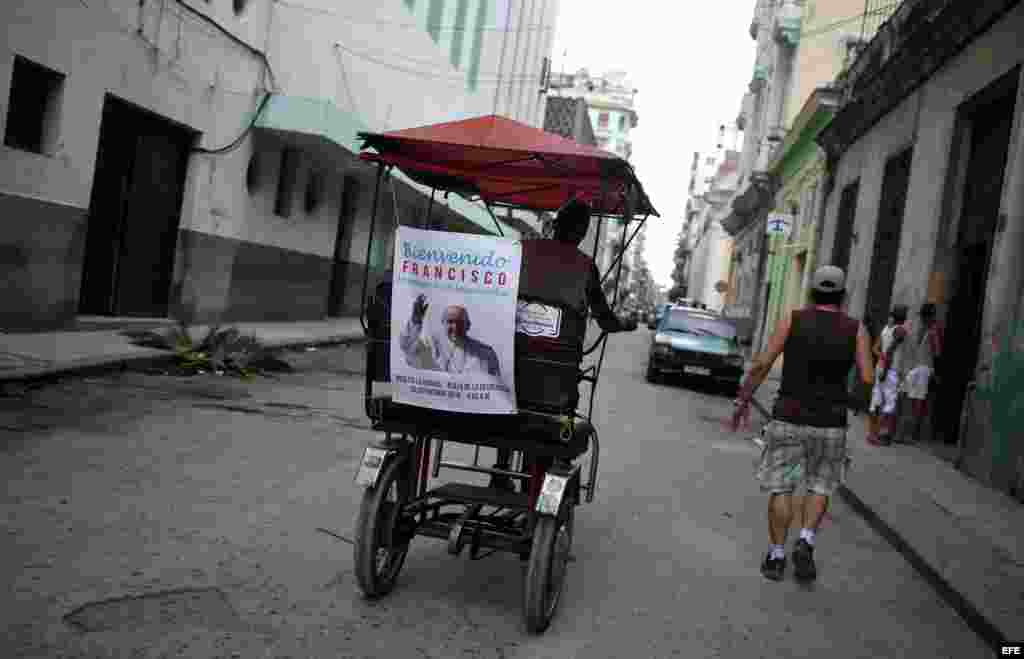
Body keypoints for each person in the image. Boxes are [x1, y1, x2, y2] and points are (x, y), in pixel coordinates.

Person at [730, 265, 874, 582]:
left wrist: (743, 400)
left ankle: (776, 557)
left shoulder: (793, 320)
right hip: (831, 422)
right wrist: (848, 402)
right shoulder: (856, 328)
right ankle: (806, 540)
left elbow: (763, 363)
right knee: (820, 485)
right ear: (842, 294)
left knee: (782, 486)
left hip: (789, 415)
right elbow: (866, 377)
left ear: (811, 292)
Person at [490, 198, 627, 491]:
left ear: (554, 225)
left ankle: (501, 468)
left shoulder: (523, 249)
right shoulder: (585, 266)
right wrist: (622, 324)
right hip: (557, 369)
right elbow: (604, 317)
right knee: (562, 405)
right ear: (581, 233)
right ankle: (537, 473)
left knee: (508, 397)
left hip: (507, 357)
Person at [398, 297, 501, 377]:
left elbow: (494, 386)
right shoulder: (431, 344)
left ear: (468, 325)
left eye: (460, 322)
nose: (455, 327)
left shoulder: (486, 353)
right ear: (443, 323)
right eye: (450, 322)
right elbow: (406, 347)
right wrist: (415, 322)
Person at [898, 303, 942, 444]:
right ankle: (911, 435)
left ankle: (902, 433)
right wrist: (936, 373)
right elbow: (936, 353)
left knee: (909, 401)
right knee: (918, 404)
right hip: (924, 369)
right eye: (934, 314)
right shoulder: (932, 331)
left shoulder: (918, 328)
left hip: (914, 367)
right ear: (931, 316)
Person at [867, 305, 910, 446]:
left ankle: (871, 433)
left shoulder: (886, 329)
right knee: (889, 405)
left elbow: (875, 348)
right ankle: (878, 434)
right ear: (903, 317)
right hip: (890, 370)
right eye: (906, 314)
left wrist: (882, 359)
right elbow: (891, 350)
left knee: (875, 402)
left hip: (880, 366)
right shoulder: (900, 331)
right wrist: (886, 367)